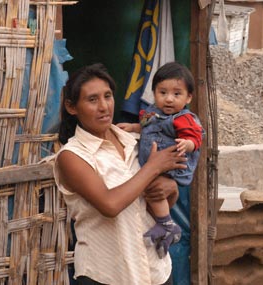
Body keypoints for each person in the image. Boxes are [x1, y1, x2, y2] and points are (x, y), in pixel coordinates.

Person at [54, 63, 188, 285]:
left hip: (156, 270)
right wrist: (153, 167)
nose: (104, 106)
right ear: (71, 107)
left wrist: (170, 190)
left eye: (108, 96)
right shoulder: (72, 156)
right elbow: (110, 205)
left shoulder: (133, 141)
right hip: (107, 275)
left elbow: (154, 206)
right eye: (92, 100)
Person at [117, 62, 204, 259]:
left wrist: (188, 144)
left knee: (153, 186)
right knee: (149, 188)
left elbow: (196, 137)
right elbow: (147, 127)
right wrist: (133, 127)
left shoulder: (184, 119)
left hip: (172, 165)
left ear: (188, 97)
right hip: (155, 164)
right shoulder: (152, 112)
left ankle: (166, 223)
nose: (168, 99)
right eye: (162, 92)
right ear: (154, 93)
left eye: (176, 94)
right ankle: (162, 223)